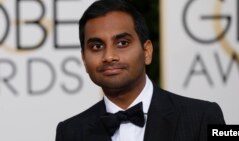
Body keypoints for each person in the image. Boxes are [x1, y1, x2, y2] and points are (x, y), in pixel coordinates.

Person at [55, 0, 225, 141]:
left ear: (147, 52)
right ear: (84, 59)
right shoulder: (70, 132)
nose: (109, 56)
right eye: (97, 46)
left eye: (122, 43)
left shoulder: (202, 116)